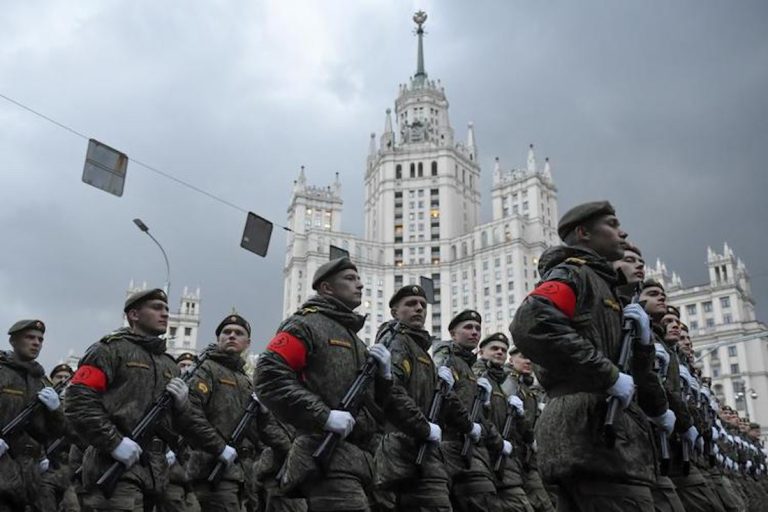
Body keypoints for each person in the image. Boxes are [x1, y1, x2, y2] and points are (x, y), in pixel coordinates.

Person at [510, 201, 665, 511]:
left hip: (606, 440)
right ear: (583, 233)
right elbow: (532, 323)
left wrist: (644, 343)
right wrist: (606, 374)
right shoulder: (575, 274)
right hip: (591, 435)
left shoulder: (603, 284)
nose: (623, 232)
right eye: (611, 224)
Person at [255, 257, 392, 512]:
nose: (360, 285)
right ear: (327, 288)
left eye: (359, 278)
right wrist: (324, 416)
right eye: (350, 279)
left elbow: (375, 407)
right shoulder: (305, 324)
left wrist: (384, 377)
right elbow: (268, 377)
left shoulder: (355, 340)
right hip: (325, 455)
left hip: (361, 460)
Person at [65, 288, 220, 511]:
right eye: (157, 308)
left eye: (166, 308)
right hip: (115, 464)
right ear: (134, 315)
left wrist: (183, 404)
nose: (165, 313)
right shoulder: (108, 350)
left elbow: (180, 425)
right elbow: (78, 401)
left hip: (156, 471)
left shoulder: (169, 364)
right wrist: (114, 443)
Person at [375, 284, 474, 512]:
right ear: (394, 312)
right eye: (410, 304)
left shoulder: (421, 350)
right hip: (405, 447)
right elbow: (393, 391)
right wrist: (425, 427)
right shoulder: (398, 342)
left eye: (422, 305)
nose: (419, 308)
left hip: (423, 447)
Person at [185, 314, 262, 511]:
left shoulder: (245, 381)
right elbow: (191, 414)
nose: (232, 336)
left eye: (238, 333)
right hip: (213, 471)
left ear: (248, 343)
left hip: (243, 474)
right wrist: (219, 447)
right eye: (226, 332)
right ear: (218, 339)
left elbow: (256, 429)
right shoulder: (207, 369)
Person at [432, 310, 500, 511]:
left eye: (478, 328)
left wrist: (485, 406)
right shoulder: (448, 360)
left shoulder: (468, 366)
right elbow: (444, 399)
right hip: (452, 444)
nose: (474, 332)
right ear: (453, 334)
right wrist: (469, 425)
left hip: (470, 446)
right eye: (468, 327)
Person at [0, 319, 64, 512]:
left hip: (32, 476)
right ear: (13, 341)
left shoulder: (43, 382)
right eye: (30, 337)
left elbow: (60, 432)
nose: (36, 342)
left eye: (40, 339)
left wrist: (56, 410)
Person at [474, 332, 534, 512]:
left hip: (507, 454)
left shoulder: (501, 381)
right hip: (484, 452)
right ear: (481, 351)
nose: (500, 352)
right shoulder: (479, 375)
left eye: (503, 349)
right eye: (494, 348)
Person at [505, 344, 555, 512]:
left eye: (530, 357)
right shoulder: (510, 382)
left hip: (529, 458)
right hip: (514, 456)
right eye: (523, 357)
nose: (528, 361)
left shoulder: (528, 388)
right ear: (511, 360)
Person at [158, 352, 200, 512]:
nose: (186, 369)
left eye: (190, 365)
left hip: (191, 470)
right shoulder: (165, 392)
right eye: (182, 365)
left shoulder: (197, 394)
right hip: (169, 470)